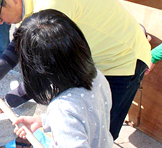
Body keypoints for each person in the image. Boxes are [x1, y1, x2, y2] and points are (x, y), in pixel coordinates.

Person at [0, 0, 151, 140]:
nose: (0, 22)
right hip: (99, 56)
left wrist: (4, 103)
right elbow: (22, 38)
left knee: (101, 132)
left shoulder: (51, 4)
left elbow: (46, 75)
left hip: (124, 60)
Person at [11, 9, 113, 147]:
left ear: (38, 69)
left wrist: (56, 118)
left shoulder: (61, 109)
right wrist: (43, 121)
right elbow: (84, 117)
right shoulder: (97, 77)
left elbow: (69, 116)